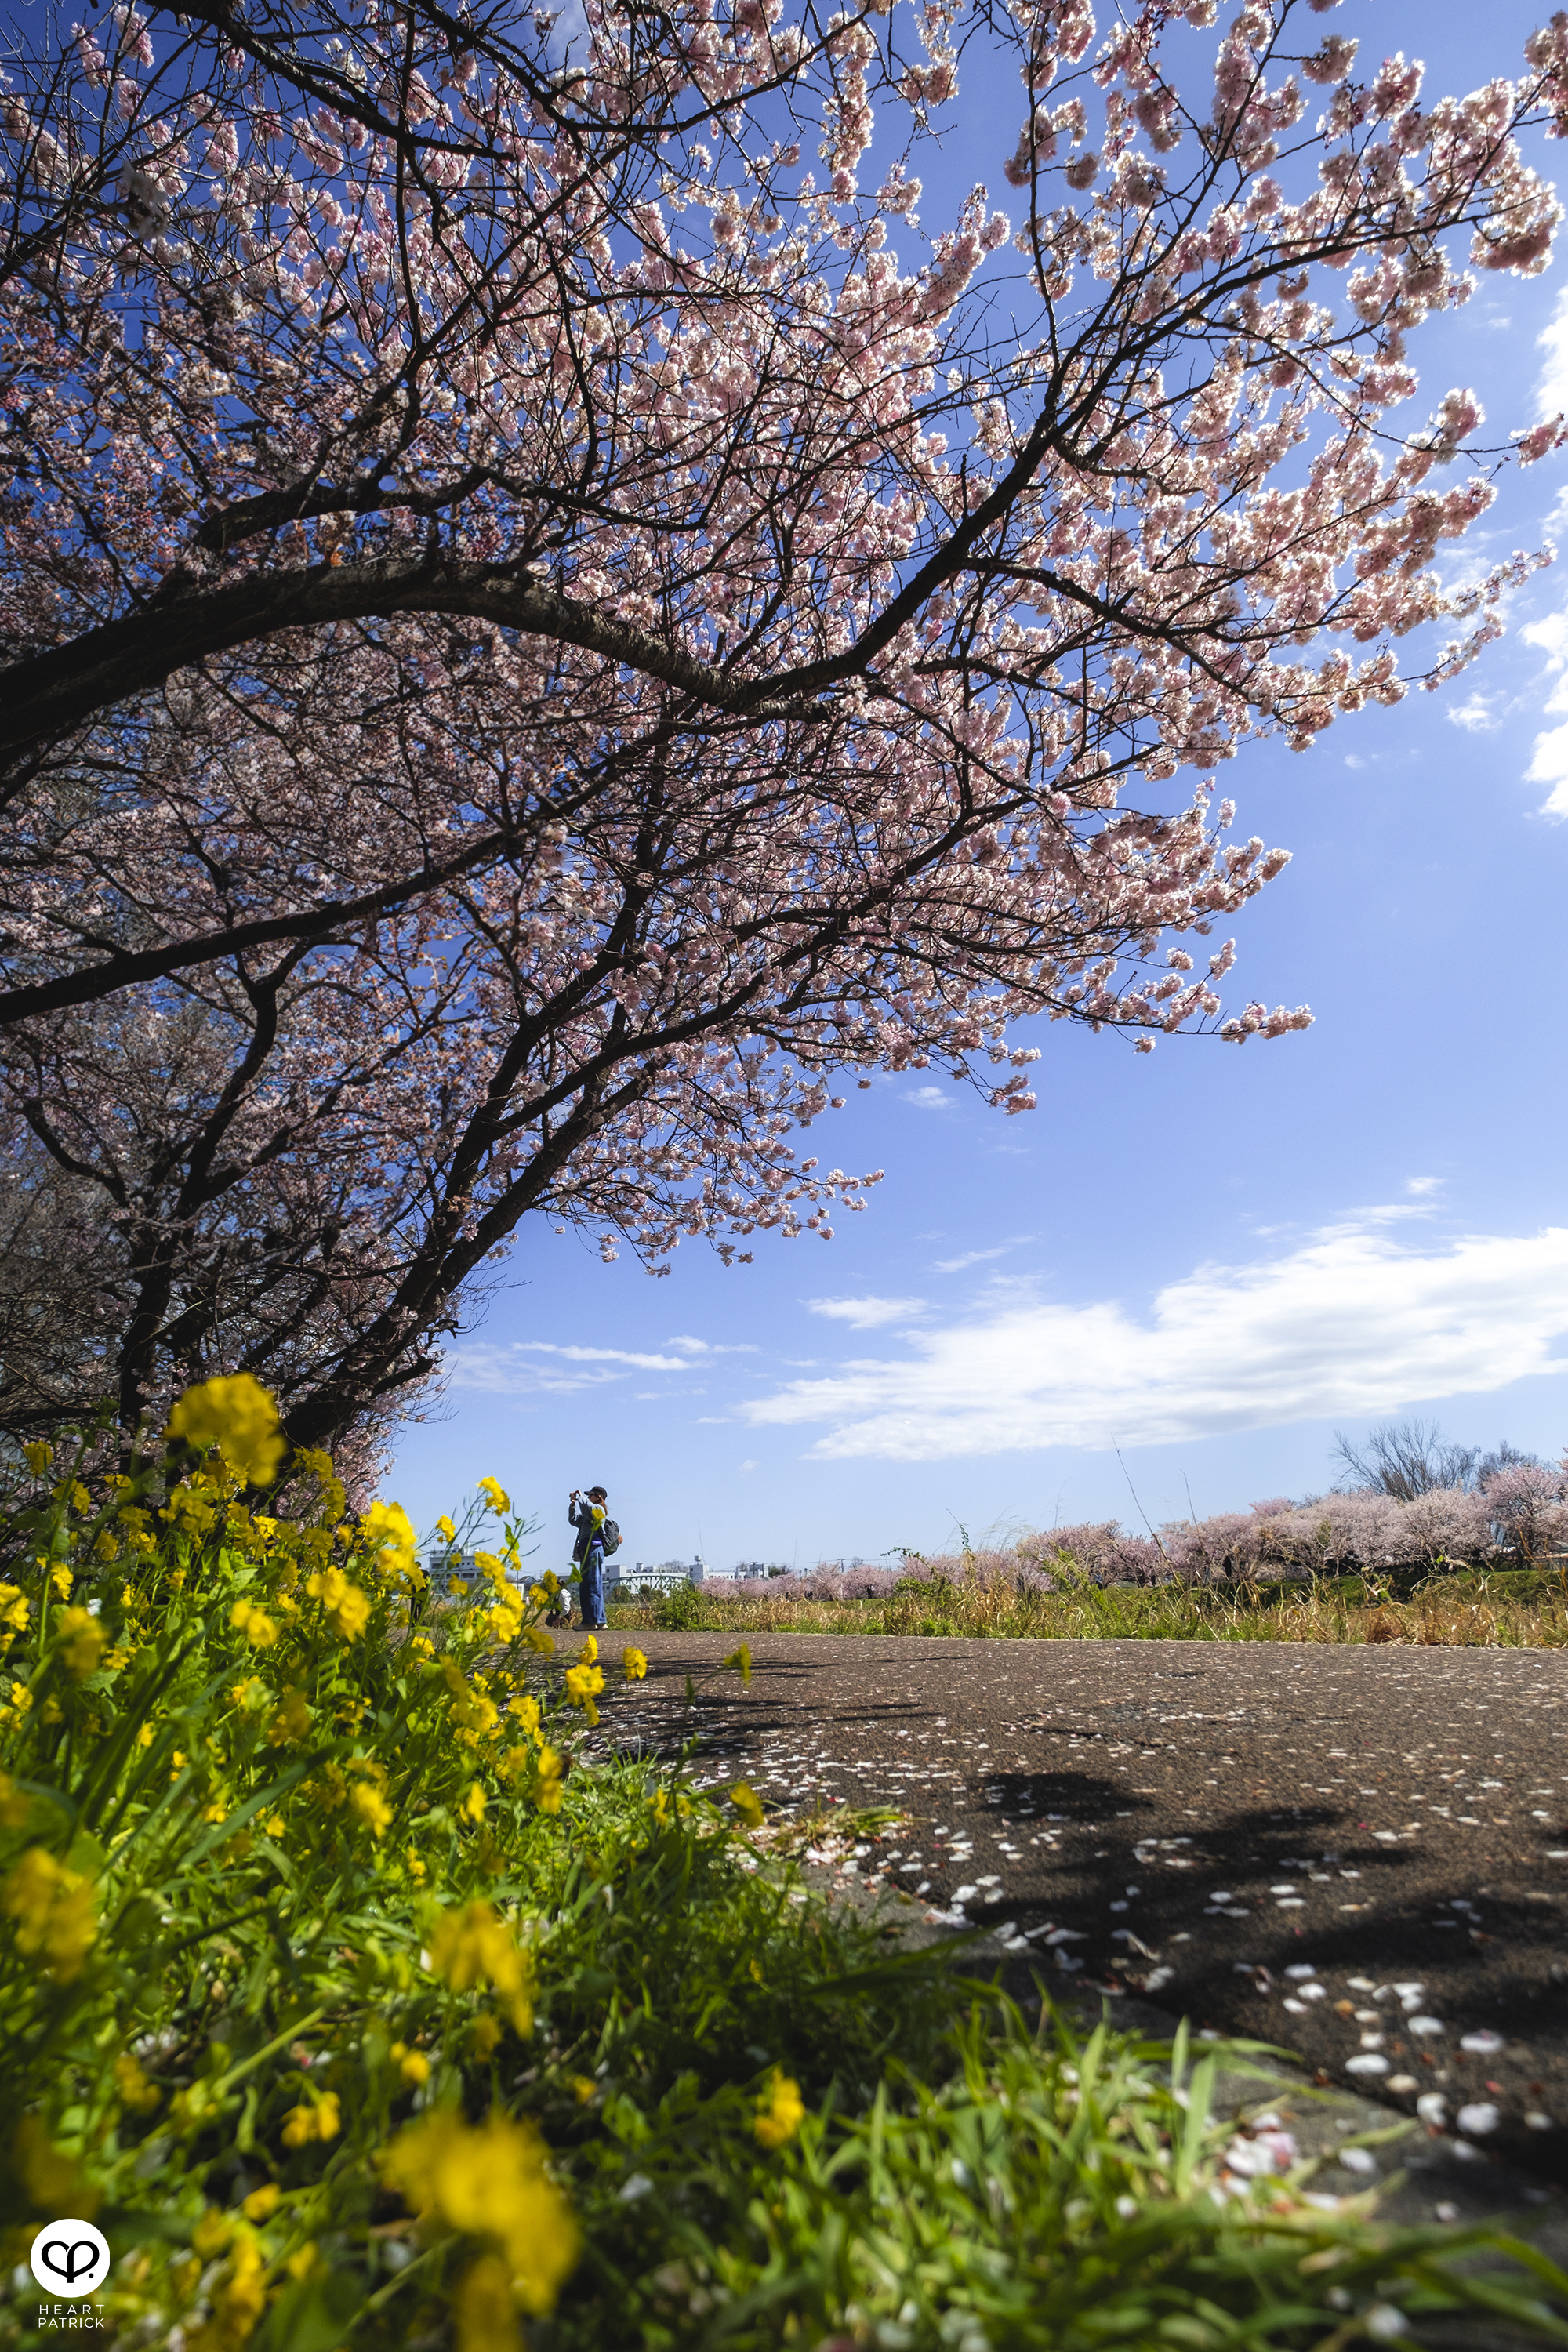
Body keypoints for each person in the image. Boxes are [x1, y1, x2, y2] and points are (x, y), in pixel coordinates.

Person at [568, 1486, 611, 1632]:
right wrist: (574, 1503)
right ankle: (599, 1621)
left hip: (593, 1548)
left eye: (591, 1495)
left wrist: (581, 1498)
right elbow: (574, 1520)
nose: (588, 1498)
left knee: (590, 1584)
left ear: (598, 1497)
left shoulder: (599, 1510)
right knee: (592, 1584)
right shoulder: (588, 1515)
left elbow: (589, 1508)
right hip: (587, 1549)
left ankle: (590, 1622)